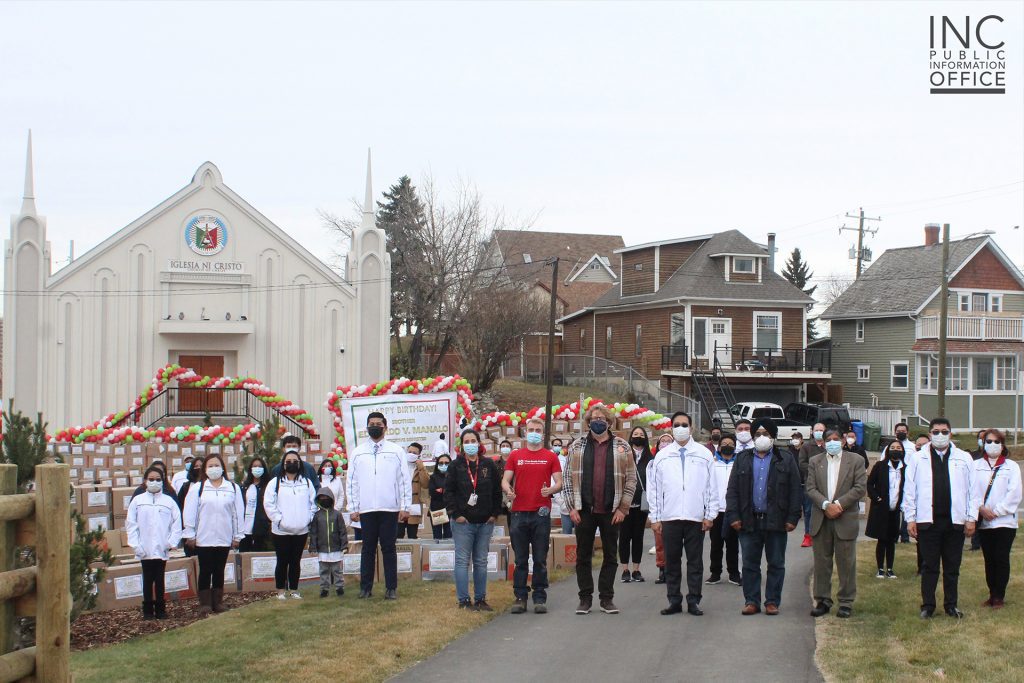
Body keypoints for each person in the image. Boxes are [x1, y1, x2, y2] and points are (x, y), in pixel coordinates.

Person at [562, 407, 634, 615]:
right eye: (594, 419)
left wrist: (623, 508)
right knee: (583, 555)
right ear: (588, 422)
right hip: (584, 509)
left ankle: (606, 598)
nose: (598, 421)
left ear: (609, 422)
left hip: (612, 510)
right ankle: (585, 599)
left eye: (602, 418)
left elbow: (631, 479)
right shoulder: (577, 446)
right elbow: (567, 478)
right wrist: (571, 507)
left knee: (611, 556)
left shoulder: (622, 446)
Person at [726, 419, 802, 615]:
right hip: (748, 520)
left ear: (773, 436)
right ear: (752, 436)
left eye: (766, 434)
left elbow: (795, 489)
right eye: (758, 433)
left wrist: (793, 517)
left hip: (776, 520)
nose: (762, 437)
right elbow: (732, 489)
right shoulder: (742, 458)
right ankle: (751, 601)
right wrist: (733, 515)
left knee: (776, 563)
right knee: (750, 564)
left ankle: (772, 601)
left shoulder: (785, 458)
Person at [904, 417, 977, 619]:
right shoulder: (918, 458)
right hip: (928, 522)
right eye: (935, 432)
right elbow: (909, 490)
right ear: (929, 435)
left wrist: (971, 518)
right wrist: (910, 518)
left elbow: (973, 491)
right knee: (929, 566)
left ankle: (951, 605)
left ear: (950, 434)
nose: (940, 435)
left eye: (944, 431)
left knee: (952, 566)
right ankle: (928, 605)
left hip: (955, 522)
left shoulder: (964, 458)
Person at [649, 411, 716, 616]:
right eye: (676, 425)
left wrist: (710, 514)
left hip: (695, 518)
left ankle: (694, 600)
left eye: (684, 424)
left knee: (695, 561)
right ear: (671, 428)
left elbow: (711, 486)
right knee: (672, 561)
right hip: (670, 517)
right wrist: (655, 517)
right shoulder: (662, 456)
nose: (680, 428)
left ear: (691, 427)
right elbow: (655, 489)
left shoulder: (704, 454)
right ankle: (674, 600)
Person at [346, 412, 411, 600]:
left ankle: (391, 588)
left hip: (389, 508)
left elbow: (403, 481)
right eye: (371, 424)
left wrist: (405, 506)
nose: (375, 426)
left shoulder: (396, 451)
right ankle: (365, 588)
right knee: (368, 548)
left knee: (389, 548)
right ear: (367, 427)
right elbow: (352, 482)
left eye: (378, 424)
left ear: (385, 427)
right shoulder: (358, 452)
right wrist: (353, 507)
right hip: (366, 509)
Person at [807, 429, 867, 618]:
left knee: (846, 563)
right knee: (822, 563)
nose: (832, 442)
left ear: (842, 441)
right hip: (821, 518)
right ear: (823, 443)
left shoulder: (856, 460)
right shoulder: (815, 462)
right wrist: (826, 505)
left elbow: (859, 487)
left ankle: (846, 602)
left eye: (835, 439)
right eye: (828, 440)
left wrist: (839, 505)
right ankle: (822, 600)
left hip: (845, 518)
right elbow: (810, 488)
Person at [505, 418, 563, 614]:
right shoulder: (515, 455)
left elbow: (559, 482)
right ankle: (520, 597)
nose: (534, 432)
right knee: (520, 559)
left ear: (543, 433)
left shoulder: (550, 457)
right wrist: (508, 491)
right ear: (525, 432)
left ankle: (539, 596)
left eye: (538, 430)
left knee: (539, 558)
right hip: (519, 512)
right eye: (531, 429)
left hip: (541, 513)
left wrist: (551, 490)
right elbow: (505, 480)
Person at [445, 429, 502, 610]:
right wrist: (456, 514)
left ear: (479, 443)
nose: (470, 444)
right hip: (463, 523)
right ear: (462, 445)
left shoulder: (488, 465)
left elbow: (496, 491)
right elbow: (449, 493)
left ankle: (480, 599)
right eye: (466, 441)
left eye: (473, 440)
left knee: (481, 561)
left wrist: (494, 514)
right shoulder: (455, 466)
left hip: (485, 522)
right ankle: (463, 600)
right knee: (462, 561)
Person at [182, 454, 244, 614]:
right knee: (205, 570)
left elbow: (237, 513)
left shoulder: (232, 488)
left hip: (224, 537)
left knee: (219, 570)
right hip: (204, 538)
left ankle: (217, 601)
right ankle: (204, 603)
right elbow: (190, 512)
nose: (213, 468)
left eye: (216, 465)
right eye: (210, 466)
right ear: (205, 469)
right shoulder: (198, 488)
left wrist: (237, 535)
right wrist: (190, 534)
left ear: (222, 467)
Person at [971, 429, 1021, 609]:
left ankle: (999, 595)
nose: (992, 445)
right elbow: (971, 491)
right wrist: (981, 509)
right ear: (983, 444)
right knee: (989, 559)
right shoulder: (975, 465)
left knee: (1001, 558)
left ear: (1002, 444)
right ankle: (992, 593)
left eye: (996, 442)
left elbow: (1014, 494)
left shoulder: (1011, 466)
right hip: (984, 521)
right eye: (988, 441)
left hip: (1004, 522)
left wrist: (997, 511)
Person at [126, 465, 183, 620]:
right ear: (145, 481)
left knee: (159, 579)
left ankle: (161, 609)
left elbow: (177, 523)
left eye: (158, 479)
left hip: (161, 548)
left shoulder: (168, 501)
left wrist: (171, 543)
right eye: (151, 479)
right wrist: (136, 545)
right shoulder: (138, 501)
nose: (154, 482)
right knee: (147, 579)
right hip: (144, 548)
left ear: (163, 481)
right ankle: (147, 610)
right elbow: (131, 524)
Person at [264, 449, 317, 600]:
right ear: (283, 464)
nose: (292, 464)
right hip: (281, 531)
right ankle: (280, 590)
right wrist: (279, 520)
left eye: (295, 461)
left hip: (301, 530)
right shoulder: (275, 483)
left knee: (295, 561)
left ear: (299, 464)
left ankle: (294, 589)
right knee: (282, 561)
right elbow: (268, 504)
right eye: (288, 461)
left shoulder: (306, 482)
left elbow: (313, 503)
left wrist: (308, 518)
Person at [865, 440, 907, 579]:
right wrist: (877, 498)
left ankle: (890, 568)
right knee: (882, 539)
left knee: (891, 540)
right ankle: (880, 569)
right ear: (888, 450)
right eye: (893, 448)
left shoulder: (905, 468)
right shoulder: (880, 466)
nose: (896, 450)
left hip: (895, 510)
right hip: (881, 509)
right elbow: (870, 484)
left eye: (898, 448)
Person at [620, 427, 654, 583]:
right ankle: (625, 569)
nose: (638, 437)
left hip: (642, 504)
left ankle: (636, 570)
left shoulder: (650, 459)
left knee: (638, 537)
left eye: (641, 435)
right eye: (635, 434)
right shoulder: (624, 455)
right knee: (624, 537)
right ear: (630, 437)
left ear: (645, 438)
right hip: (625, 504)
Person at [708, 434, 741, 587]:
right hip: (716, 511)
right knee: (716, 543)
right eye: (724, 443)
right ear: (719, 447)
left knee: (733, 544)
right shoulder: (712, 464)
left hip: (733, 511)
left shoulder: (739, 464)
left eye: (731, 443)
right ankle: (715, 573)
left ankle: (734, 573)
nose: (727, 445)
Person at [308, 486, 349, 598]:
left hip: (335, 548)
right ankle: (324, 589)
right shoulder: (317, 516)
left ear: (331, 498)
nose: (324, 499)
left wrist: (344, 545)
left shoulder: (337, 514)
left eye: (326, 497)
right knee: (324, 571)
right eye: (322, 497)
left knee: (337, 570)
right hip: (322, 549)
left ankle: (339, 588)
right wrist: (313, 547)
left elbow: (342, 531)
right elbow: (314, 533)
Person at [797, 422, 827, 548]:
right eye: (817, 430)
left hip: (826, 484)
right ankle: (808, 536)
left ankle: (824, 537)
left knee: (825, 509)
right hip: (810, 483)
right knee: (809, 510)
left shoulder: (828, 446)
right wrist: (815, 470)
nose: (819, 432)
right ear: (812, 431)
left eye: (821, 430)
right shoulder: (807, 446)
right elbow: (802, 463)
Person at [651, 433, 674, 585]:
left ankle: (672, 569)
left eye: (668, 441)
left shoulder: (675, 461)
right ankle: (661, 568)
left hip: (673, 506)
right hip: (659, 506)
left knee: (673, 542)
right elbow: (651, 486)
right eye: (662, 441)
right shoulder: (652, 463)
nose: (665, 443)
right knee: (659, 541)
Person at [889, 423, 917, 544]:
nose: (901, 432)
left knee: (906, 508)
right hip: (894, 479)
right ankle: (894, 535)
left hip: (908, 479)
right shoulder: (889, 446)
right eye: (898, 430)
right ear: (895, 432)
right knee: (894, 509)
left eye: (903, 430)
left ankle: (905, 536)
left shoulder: (912, 447)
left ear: (907, 432)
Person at [399, 443, 430, 540]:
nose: (411, 454)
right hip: (400, 505)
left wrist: (421, 467)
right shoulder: (400, 465)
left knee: (412, 535)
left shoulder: (420, 468)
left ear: (419, 455)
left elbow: (426, 484)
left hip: (414, 505)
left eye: (414, 453)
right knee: (397, 535)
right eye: (409, 452)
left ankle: (413, 554)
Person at [240, 457, 272, 552]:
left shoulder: (268, 486)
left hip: (261, 529)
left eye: (259, 466)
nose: (257, 468)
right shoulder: (245, 487)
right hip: (245, 528)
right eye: (254, 466)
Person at [177, 456, 205, 556]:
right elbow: (179, 508)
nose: (198, 468)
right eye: (196, 466)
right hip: (190, 533)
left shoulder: (211, 485)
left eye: (201, 466)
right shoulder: (186, 487)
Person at [969, 429, 988, 551]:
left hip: (988, 492)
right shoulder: (973, 455)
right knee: (976, 519)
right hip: (976, 494)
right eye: (980, 438)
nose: (982, 440)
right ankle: (975, 544)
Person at [428, 455, 453, 540]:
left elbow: (455, 492)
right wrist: (445, 490)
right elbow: (432, 492)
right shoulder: (433, 477)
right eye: (441, 463)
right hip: (437, 510)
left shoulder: (454, 477)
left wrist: (441, 490)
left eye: (446, 463)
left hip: (451, 510)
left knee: (449, 536)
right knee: (437, 537)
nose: (444, 465)